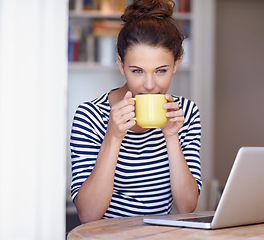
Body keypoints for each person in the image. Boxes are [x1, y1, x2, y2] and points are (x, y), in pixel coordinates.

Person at [70, 0, 202, 224]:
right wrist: (112, 137)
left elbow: (187, 207)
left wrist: (171, 137)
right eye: (137, 71)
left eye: (161, 71)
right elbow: (88, 214)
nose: (149, 85)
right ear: (121, 65)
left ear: (176, 63)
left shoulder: (186, 113)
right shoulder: (90, 115)